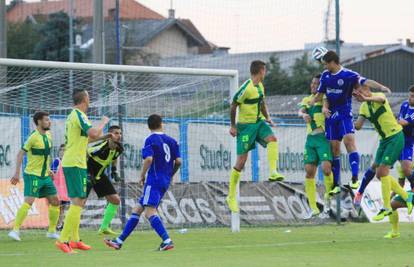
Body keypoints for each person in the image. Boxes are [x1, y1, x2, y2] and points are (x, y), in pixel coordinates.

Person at [311, 50, 391, 193]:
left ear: (332, 63)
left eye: (325, 64)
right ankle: (336, 184)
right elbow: (321, 94)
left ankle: (354, 178)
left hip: (344, 113)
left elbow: (365, 81)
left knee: (349, 142)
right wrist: (313, 102)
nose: (324, 67)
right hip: (330, 117)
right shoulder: (325, 75)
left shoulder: (348, 75)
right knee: (334, 149)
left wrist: (381, 87)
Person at [104, 114, 181, 251]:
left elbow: (149, 159)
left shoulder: (150, 139)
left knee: (149, 212)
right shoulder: (172, 140)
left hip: (154, 179)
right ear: (161, 124)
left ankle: (167, 240)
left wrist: (142, 175)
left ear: (148, 126)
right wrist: (170, 175)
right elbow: (178, 162)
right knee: (138, 209)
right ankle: (119, 241)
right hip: (164, 180)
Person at [55, 89, 110, 254]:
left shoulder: (74, 116)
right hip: (74, 163)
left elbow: (90, 138)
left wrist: (105, 136)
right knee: (78, 201)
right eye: (89, 96)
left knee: (79, 201)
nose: (90, 99)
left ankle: (75, 239)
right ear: (85, 99)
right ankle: (63, 240)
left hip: (76, 162)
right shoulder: (78, 114)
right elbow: (93, 132)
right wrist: (103, 122)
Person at [226, 60, 284, 213]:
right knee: (241, 162)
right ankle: (231, 196)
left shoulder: (260, 86)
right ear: (261, 70)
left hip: (258, 123)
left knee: (272, 139)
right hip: (245, 128)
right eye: (265, 70)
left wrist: (268, 118)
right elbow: (233, 105)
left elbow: (262, 103)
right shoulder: (246, 88)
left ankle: (273, 172)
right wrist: (233, 126)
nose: (265, 73)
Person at [353, 85, 413, 221]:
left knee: (384, 172)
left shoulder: (379, 96)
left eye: (360, 91)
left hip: (395, 136)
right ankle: (405, 197)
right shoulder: (363, 107)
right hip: (384, 141)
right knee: (379, 173)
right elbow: (358, 125)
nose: (358, 94)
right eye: (356, 92)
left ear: (368, 90)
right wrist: (344, 120)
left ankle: (387, 207)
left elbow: (380, 98)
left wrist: (366, 97)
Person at [8, 111, 60, 241]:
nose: (49, 122)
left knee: (55, 201)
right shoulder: (33, 137)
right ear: (39, 122)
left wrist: (49, 170)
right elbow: (20, 154)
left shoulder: (48, 135)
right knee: (29, 201)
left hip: (45, 176)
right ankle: (15, 230)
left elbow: (46, 155)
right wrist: (16, 173)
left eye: (49, 119)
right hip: (33, 175)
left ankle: (52, 231)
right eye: (47, 120)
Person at [298, 74, 333, 218]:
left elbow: (326, 104)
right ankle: (313, 208)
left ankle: (328, 201)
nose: (313, 86)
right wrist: (302, 115)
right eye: (312, 83)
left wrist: (325, 109)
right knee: (309, 172)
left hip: (323, 139)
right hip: (310, 140)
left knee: (326, 169)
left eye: (316, 84)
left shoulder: (324, 97)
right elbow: (300, 111)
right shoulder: (307, 100)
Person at [86, 125, 124, 235]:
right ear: (109, 135)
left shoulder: (119, 148)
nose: (119, 136)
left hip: (100, 175)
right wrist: (88, 173)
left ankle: (104, 228)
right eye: (116, 133)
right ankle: (68, 230)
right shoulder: (101, 147)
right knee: (80, 203)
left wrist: (114, 171)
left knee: (115, 200)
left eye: (120, 133)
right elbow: (86, 152)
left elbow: (115, 157)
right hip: (89, 174)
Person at [51, 144, 69, 231]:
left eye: (65, 150)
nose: (63, 151)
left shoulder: (68, 162)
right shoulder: (57, 161)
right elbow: (52, 172)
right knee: (56, 207)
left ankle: (60, 224)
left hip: (65, 189)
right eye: (61, 150)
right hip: (57, 189)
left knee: (63, 208)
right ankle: (55, 224)